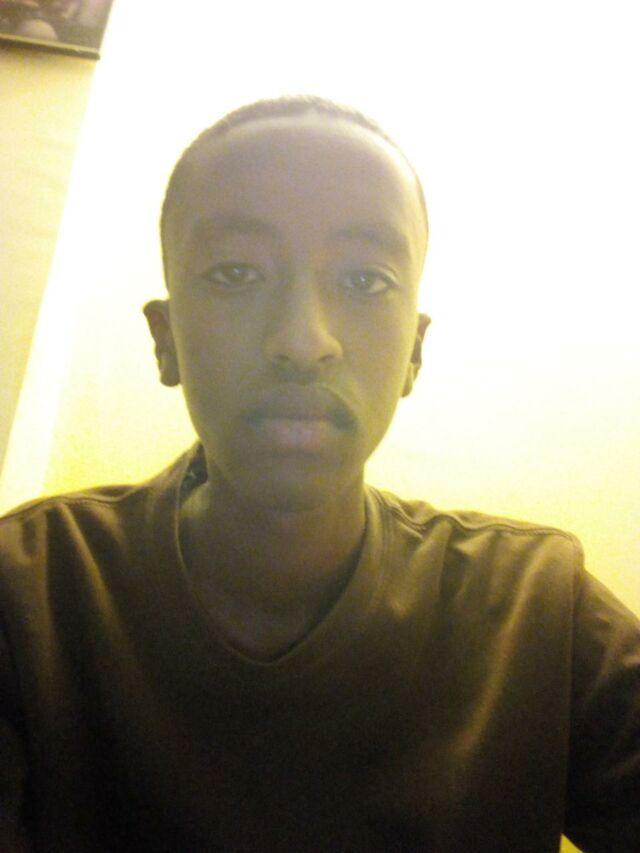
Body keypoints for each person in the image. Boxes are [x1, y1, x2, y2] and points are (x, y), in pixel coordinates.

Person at [0, 96, 638, 852]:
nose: (303, 341)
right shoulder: (31, 595)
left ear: (414, 351)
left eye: (365, 281)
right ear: (165, 338)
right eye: (237, 272)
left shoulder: (535, 610)